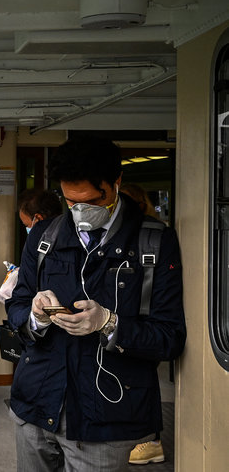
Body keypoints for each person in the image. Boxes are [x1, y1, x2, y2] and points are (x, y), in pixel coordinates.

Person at [5, 135, 185, 471]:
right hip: (35, 405)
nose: (79, 212)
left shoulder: (155, 242)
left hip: (105, 419)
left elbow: (170, 337)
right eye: (70, 203)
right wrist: (35, 317)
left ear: (115, 183)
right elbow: (16, 304)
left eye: (89, 202)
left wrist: (109, 323)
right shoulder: (46, 237)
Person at [119, 183, 166, 465]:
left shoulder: (152, 237)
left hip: (144, 322)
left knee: (143, 379)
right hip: (136, 318)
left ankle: (152, 441)